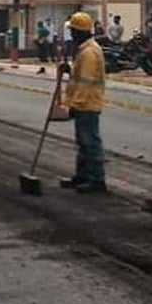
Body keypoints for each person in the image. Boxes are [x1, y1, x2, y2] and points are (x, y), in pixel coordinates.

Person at [59, 11, 106, 193]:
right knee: (83, 142)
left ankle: (97, 180)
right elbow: (80, 77)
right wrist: (69, 70)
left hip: (87, 104)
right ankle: (83, 176)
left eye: (73, 31)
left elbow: (86, 83)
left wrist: (74, 105)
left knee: (90, 142)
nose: (72, 35)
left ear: (80, 32)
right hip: (84, 103)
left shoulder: (89, 52)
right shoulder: (85, 50)